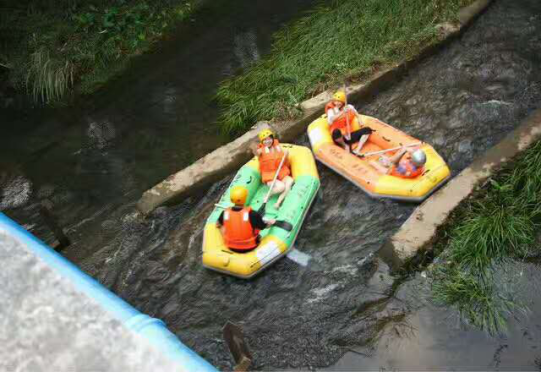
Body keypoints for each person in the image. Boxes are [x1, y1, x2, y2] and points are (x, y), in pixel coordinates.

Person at [217, 186, 275, 252]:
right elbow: (264, 226)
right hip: (250, 247)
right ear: (245, 198)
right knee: (257, 229)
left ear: (231, 199)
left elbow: (218, 224)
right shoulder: (252, 214)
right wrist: (271, 223)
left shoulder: (225, 212)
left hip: (230, 246)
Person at [254, 129, 294, 209]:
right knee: (281, 187)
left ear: (272, 139)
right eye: (265, 140)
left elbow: (283, 159)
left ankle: (278, 203)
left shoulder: (277, 147)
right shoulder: (261, 150)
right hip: (270, 176)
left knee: (290, 181)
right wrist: (255, 150)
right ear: (262, 142)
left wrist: (286, 154)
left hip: (280, 172)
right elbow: (256, 153)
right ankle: (268, 195)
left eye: (269, 139)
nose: (267, 141)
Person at [326, 90, 373, 155]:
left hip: (348, 134)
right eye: (335, 101)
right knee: (336, 131)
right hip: (339, 137)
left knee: (367, 130)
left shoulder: (349, 107)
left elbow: (355, 112)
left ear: (343, 102)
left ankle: (357, 149)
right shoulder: (331, 110)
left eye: (339, 101)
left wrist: (360, 120)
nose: (337, 103)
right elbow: (331, 120)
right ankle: (345, 146)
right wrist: (342, 112)